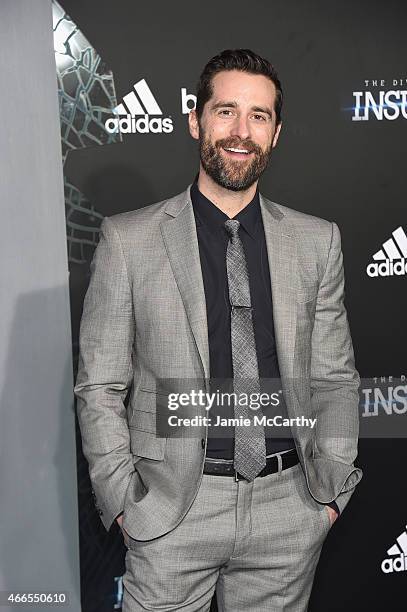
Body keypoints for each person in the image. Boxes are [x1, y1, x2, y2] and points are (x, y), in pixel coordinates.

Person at [74, 48, 362, 612]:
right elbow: (99, 387)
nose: (240, 131)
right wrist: (128, 502)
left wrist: (328, 491)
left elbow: (335, 379)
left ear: (275, 133)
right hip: (173, 509)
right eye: (225, 111)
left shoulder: (316, 242)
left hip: (290, 510)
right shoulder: (129, 240)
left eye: (258, 116)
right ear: (195, 119)